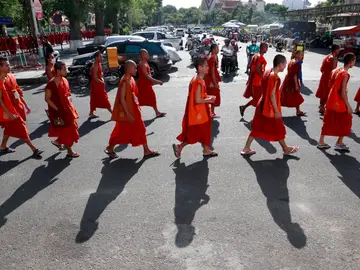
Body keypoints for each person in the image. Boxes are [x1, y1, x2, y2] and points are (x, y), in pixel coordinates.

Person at [241, 54, 299, 156]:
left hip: (262, 103)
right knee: (278, 127)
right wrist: (276, 110)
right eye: (285, 64)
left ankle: (247, 148)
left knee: (258, 127)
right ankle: (285, 148)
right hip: (269, 107)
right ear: (280, 65)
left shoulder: (268, 71)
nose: (285, 66)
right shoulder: (274, 77)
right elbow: (272, 95)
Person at [105, 60, 160, 159]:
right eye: (134, 68)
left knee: (139, 130)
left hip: (134, 110)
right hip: (129, 112)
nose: (136, 70)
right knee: (123, 132)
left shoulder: (131, 79)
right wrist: (128, 114)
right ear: (129, 69)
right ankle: (110, 148)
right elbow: (122, 99)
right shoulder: (125, 81)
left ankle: (146, 150)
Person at [172, 57, 217, 158]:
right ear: (200, 68)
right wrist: (209, 100)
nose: (208, 67)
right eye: (206, 66)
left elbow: (199, 96)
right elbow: (197, 100)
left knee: (203, 133)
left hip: (200, 112)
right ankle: (180, 147)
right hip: (199, 114)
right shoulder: (198, 82)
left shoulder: (197, 79)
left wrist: (208, 97)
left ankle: (206, 150)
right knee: (196, 134)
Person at [0, 57, 42, 157]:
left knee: (9, 128)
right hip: (9, 111)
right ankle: (34, 148)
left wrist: (25, 104)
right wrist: (9, 113)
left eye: (9, 64)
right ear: (0, 67)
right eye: (6, 65)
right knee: (21, 128)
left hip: (18, 107)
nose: (9, 66)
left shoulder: (11, 77)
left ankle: (3, 146)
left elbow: (18, 92)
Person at [317, 53, 356, 151]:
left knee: (328, 120)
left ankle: (321, 141)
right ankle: (339, 142)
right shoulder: (345, 74)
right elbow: (342, 92)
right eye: (354, 61)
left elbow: (331, 84)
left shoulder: (336, 70)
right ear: (351, 62)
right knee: (347, 119)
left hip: (331, 99)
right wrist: (348, 105)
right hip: (339, 101)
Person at [45, 61, 80, 158]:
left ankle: (59, 141)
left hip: (68, 109)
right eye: (64, 69)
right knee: (68, 131)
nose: (66, 71)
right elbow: (47, 99)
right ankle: (69, 151)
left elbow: (67, 93)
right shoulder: (51, 83)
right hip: (59, 112)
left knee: (71, 129)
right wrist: (57, 109)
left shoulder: (64, 80)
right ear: (58, 71)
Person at [240, 42, 268, 117]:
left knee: (259, 99)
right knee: (258, 100)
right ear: (262, 48)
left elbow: (251, 67)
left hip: (254, 80)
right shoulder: (260, 57)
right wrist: (263, 76)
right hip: (257, 82)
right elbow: (257, 69)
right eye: (266, 47)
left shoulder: (255, 56)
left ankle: (244, 108)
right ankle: (258, 115)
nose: (267, 49)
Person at [137, 49, 166, 118]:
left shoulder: (145, 62)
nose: (148, 55)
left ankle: (157, 112)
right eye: (146, 54)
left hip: (146, 83)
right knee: (141, 99)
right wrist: (157, 81)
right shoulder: (142, 64)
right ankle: (132, 112)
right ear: (142, 55)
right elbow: (146, 76)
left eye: (147, 53)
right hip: (144, 84)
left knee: (149, 98)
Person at [316, 44, 340, 114]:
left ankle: (321, 105)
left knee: (323, 91)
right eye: (338, 49)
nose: (339, 51)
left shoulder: (327, 56)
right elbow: (334, 70)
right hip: (329, 77)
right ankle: (322, 106)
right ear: (336, 50)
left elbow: (321, 69)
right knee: (327, 92)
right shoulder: (334, 58)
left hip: (324, 76)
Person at [280, 50, 306, 116]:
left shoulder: (292, 61)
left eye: (302, 55)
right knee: (289, 95)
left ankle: (298, 111)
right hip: (292, 81)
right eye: (300, 54)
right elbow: (294, 74)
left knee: (289, 95)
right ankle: (275, 108)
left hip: (288, 79)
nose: (301, 56)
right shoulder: (296, 63)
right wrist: (296, 85)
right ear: (296, 54)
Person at [89, 51, 112, 118]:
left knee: (94, 98)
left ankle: (91, 113)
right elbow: (95, 77)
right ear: (96, 58)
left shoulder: (98, 63)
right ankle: (112, 113)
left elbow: (99, 74)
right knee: (104, 98)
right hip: (97, 85)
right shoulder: (95, 65)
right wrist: (102, 82)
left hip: (97, 84)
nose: (101, 58)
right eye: (100, 56)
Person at [205, 43, 222, 117]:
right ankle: (211, 113)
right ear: (214, 49)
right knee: (213, 97)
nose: (218, 50)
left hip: (207, 79)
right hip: (211, 80)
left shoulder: (210, 56)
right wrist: (215, 83)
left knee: (209, 96)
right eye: (217, 48)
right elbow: (212, 73)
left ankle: (210, 112)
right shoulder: (212, 58)